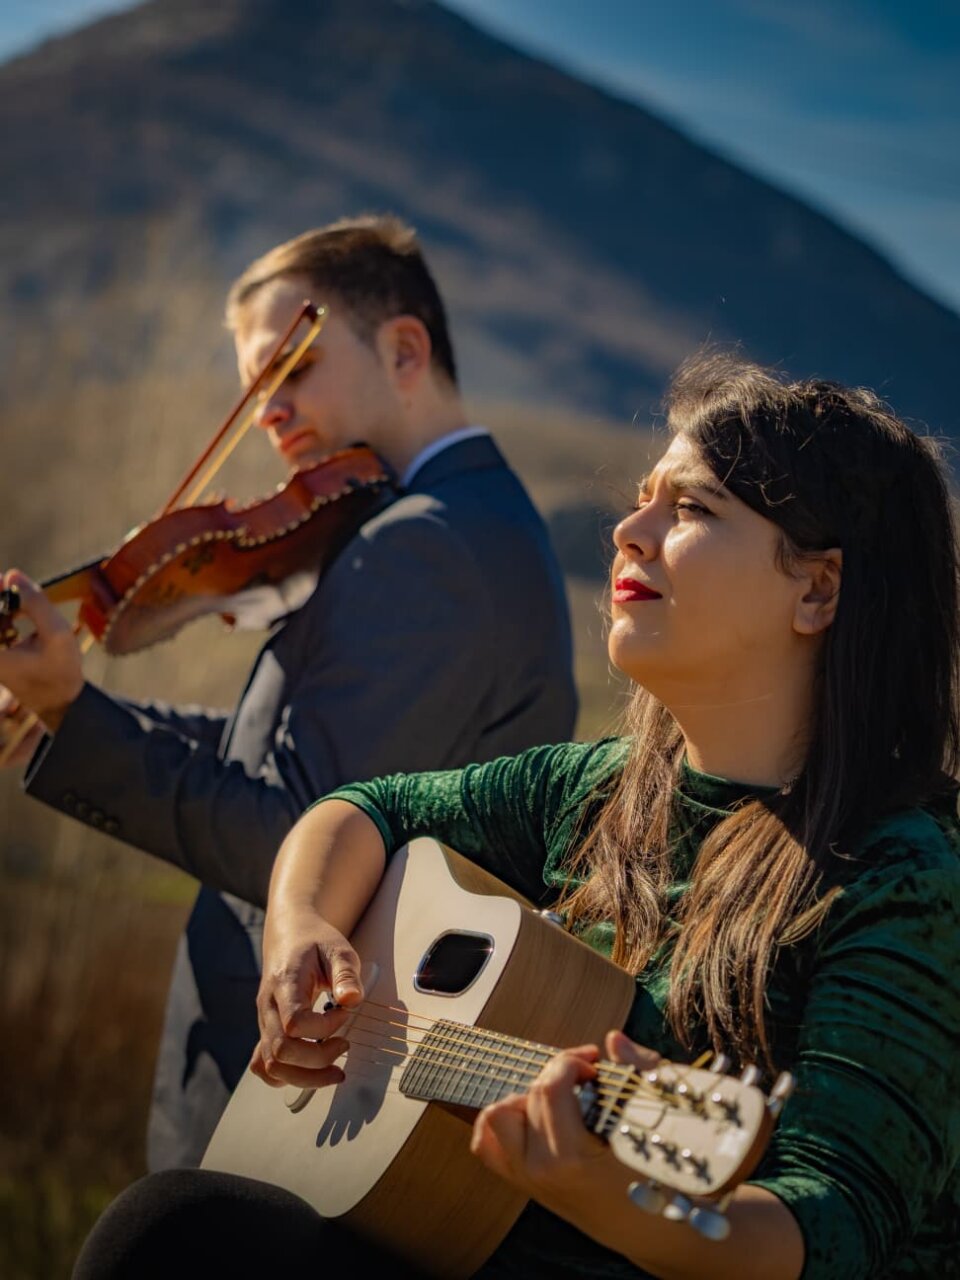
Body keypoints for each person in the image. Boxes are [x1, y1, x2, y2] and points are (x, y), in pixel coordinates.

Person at [73, 353, 960, 1279]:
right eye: (644, 498)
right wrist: (299, 930)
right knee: (179, 1227)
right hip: (482, 1240)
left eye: (692, 509)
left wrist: (618, 1200)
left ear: (818, 590)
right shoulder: (597, 791)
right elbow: (363, 808)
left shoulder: (903, 878)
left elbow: (829, 1230)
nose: (630, 531)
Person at [0, 214, 578, 1169]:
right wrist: (71, 715)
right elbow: (276, 750)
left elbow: (294, 827)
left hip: (293, 1096)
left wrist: (77, 714)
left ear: (403, 350)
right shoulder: (450, 525)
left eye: (290, 370)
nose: (268, 412)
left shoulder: (425, 545)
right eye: (254, 391)